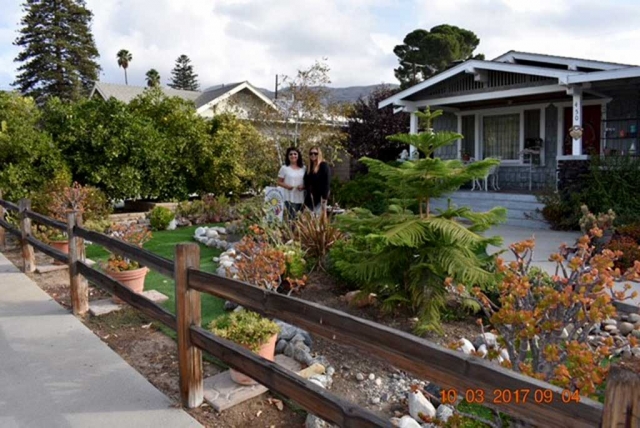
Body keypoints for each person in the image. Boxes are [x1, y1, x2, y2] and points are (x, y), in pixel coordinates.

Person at [277, 147, 305, 219]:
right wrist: (287, 186)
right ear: (288, 156)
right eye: (291, 154)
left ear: (298, 156)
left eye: (295, 154)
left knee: (301, 220)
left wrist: (303, 186)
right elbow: (279, 182)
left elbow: (307, 182)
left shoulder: (304, 168)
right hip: (290, 198)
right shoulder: (284, 168)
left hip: (302, 197)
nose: (293, 156)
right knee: (292, 219)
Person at [304, 146, 331, 215]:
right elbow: (307, 182)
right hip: (309, 198)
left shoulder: (323, 165)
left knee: (318, 220)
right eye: (311, 153)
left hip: (320, 198)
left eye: (315, 153)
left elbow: (327, 182)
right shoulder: (309, 167)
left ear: (319, 154)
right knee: (309, 220)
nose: (313, 155)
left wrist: (324, 197)